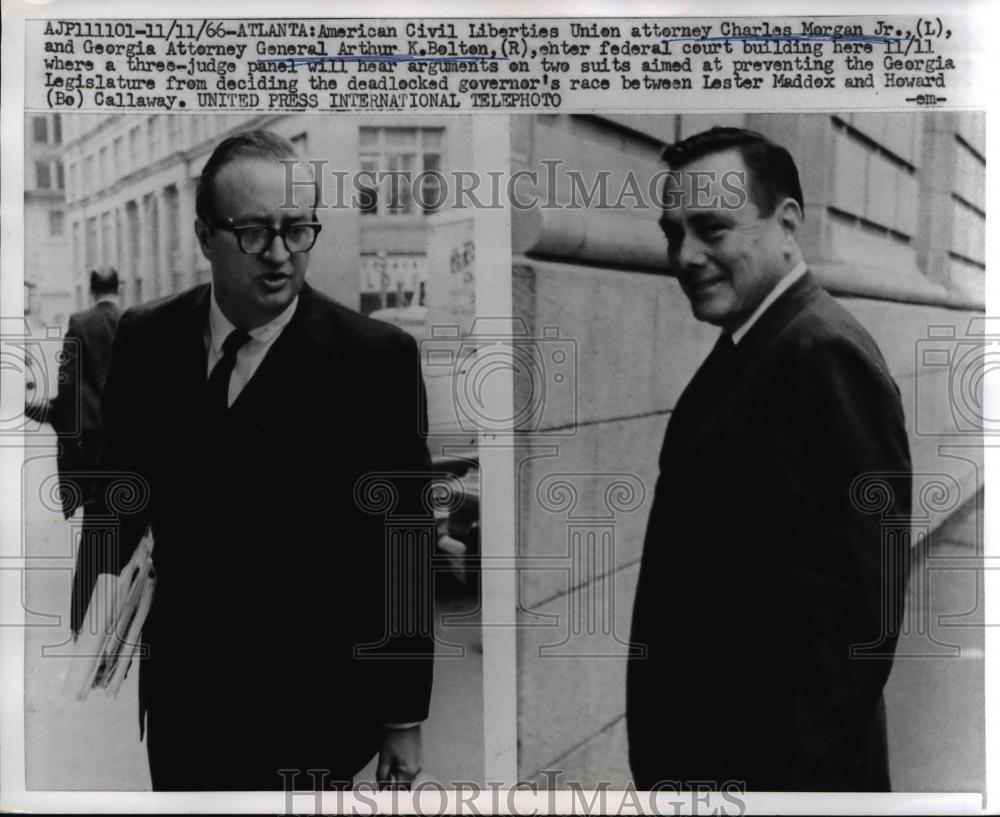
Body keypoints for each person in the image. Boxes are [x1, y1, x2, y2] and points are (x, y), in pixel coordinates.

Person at [76, 131, 434, 790]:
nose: (279, 255)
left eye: (298, 230)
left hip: (312, 707)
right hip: (184, 698)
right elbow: (119, 490)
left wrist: (402, 714)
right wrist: (100, 600)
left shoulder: (375, 360)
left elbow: (402, 550)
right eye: (254, 232)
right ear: (203, 234)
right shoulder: (146, 338)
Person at [627, 127, 912, 791]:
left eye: (712, 228)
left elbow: (858, 625)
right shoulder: (754, 346)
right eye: (674, 232)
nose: (686, 256)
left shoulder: (822, 354)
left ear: (786, 224)